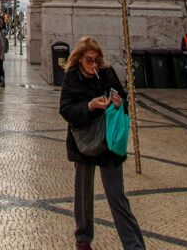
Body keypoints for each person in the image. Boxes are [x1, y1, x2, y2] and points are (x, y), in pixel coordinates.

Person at [59, 36, 146, 250]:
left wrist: (118, 102)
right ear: (79, 59)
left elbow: (123, 99)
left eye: (96, 59)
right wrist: (89, 106)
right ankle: (83, 239)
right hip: (85, 141)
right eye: (89, 60)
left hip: (109, 141)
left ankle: (134, 246)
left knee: (117, 196)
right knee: (83, 194)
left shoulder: (107, 73)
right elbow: (65, 109)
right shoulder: (72, 77)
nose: (94, 64)